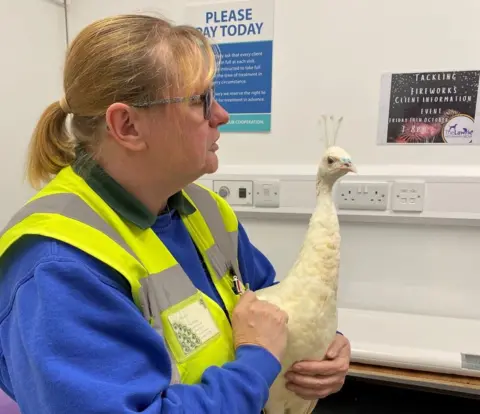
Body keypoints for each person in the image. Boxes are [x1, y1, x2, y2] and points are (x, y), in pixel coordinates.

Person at [0, 13, 351, 414]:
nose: (221, 115)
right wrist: (256, 363)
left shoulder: (207, 211)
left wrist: (322, 344)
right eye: (200, 101)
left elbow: (274, 308)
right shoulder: (57, 267)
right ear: (128, 125)